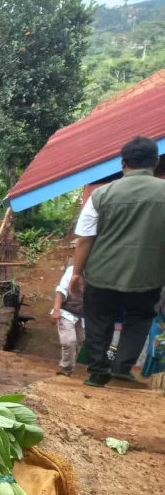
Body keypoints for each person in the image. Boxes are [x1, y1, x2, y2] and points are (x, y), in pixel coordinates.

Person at [69, 136, 165, 387]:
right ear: (155, 162)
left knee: (99, 319)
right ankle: (122, 367)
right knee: (140, 318)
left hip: (102, 274)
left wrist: (77, 273)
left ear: (123, 163)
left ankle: (98, 371)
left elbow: (84, 239)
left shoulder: (101, 195)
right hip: (149, 276)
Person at [50, 259, 84, 377]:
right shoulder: (72, 271)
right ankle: (65, 368)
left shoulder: (98, 275)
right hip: (66, 311)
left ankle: (70, 366)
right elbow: (61, 290)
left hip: (82, 315)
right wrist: (56, 310)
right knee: (69, 341)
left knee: (80, 340)